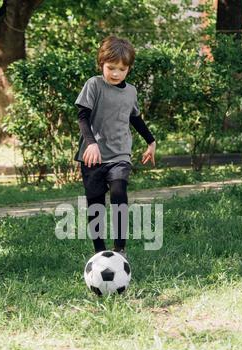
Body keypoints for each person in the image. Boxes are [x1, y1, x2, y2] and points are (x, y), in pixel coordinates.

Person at [74, 35, 156, 259]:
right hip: (93, 156)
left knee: (119, 192)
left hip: (120, 154)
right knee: (96, 204)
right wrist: (91, 144)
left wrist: (151, 141)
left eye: (122, 69)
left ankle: (120, 248)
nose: (116, 73)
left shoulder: (131, 91)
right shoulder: (94, 85)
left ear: (128, 69)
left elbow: (136, 118)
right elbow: (82, 116)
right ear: (101, 64)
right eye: (111, 68)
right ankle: (100, 251)